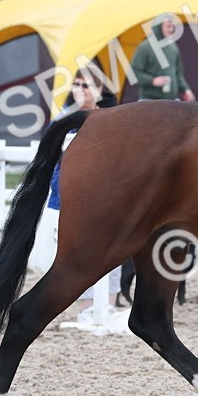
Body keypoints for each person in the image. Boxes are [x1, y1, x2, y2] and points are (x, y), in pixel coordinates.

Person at [48, 71, 121, 312]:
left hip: (110, 197)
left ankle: (108, 305)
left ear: (99, 91)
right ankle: (86, 307)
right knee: (79, 253)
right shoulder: (63, 119)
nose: (80, 89)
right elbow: (52, 159)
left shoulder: (115, 118)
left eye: (86, 86)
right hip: (73, 197)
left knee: (114, 250)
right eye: (76, 85)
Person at [132, 14, 196, 102]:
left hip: (171, 101)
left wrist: (186, 90)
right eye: (168, 26)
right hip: (149, 101)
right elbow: (135, 72)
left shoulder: (173, 47)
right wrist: (152, 81)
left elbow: (178, 74)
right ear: (158, 27)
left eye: (172, 26)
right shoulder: (145, 47)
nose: (171, 29)